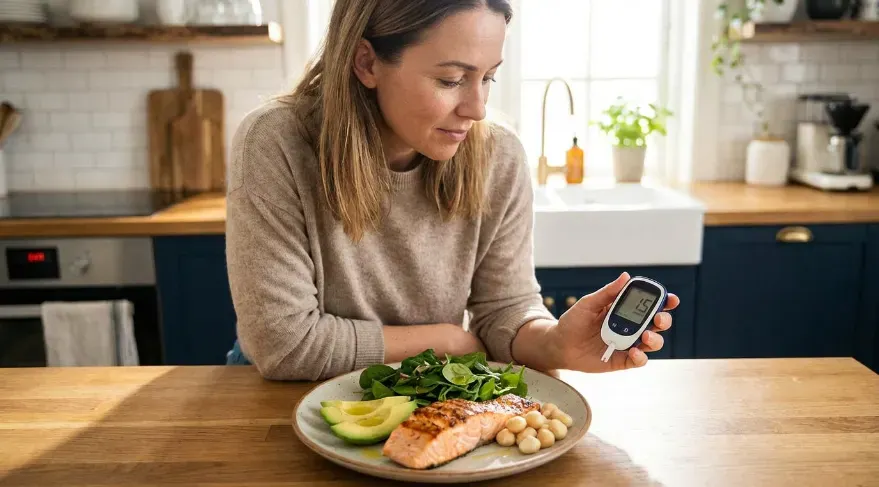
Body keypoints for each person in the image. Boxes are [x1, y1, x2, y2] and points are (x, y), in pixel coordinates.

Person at [224, 0, 680, 381]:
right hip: (284, 395)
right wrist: (448, 340)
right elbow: (283, 345)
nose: (478, 109)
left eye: (488, 77)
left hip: (427, 387)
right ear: (367, 63)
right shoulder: (274, 141)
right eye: (450, 80)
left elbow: (505, 308)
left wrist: (554, 343)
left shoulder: (499, 156)